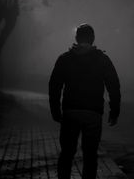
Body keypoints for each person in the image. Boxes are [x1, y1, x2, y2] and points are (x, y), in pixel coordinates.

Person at [49, 23, 121, 179]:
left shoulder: (65, 59)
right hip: (93, 113)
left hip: (70, 112)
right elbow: (113, 85)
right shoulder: (102, 60)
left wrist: (55, 110)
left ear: (76, 38)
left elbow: (54, 85)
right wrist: (114, 111)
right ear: (93, 39)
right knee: (90, 156)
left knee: (67, 154)